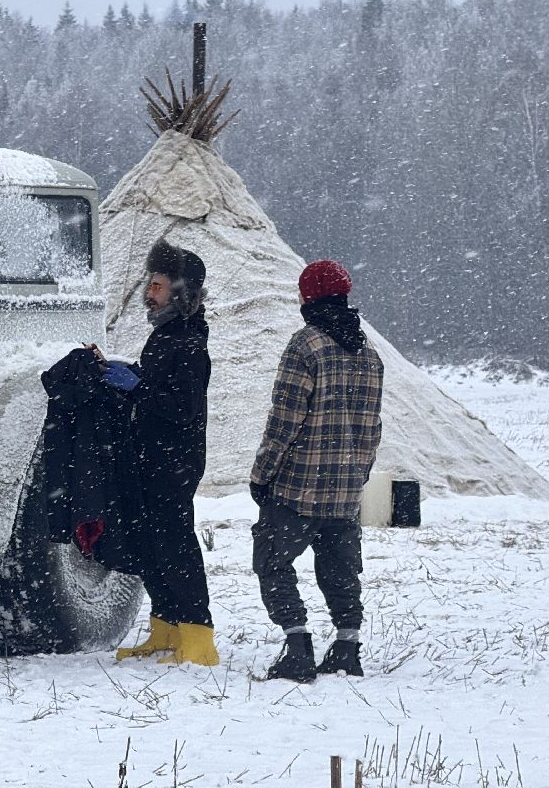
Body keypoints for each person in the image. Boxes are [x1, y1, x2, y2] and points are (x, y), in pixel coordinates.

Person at [249, 260, 384, 682]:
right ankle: (347, 645)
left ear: (307, 298)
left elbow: (284, 421)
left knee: (272, 561)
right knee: (340, 567)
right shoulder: (369, 354)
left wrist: (262, 474)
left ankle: (297, 645)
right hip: (345, 489)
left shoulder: (305, 346)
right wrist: (359, 475)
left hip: (297, 486)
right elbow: (373, 427)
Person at [110, 238, 218, 666]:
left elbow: (181, 407)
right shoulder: (164, 337)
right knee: (151, 544)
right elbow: (157, 391)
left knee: (176, 545)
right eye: (149, 284)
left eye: (157, 286)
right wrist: (125, 374)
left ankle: (198, 636)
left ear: (182, 292)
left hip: (175, 460)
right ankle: (167, 629)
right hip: (151, 456)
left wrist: (139, 387)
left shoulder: (190, 343)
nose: (148, 293)